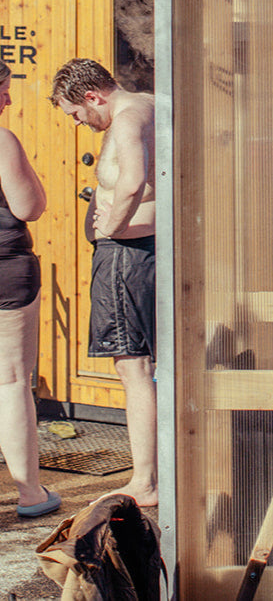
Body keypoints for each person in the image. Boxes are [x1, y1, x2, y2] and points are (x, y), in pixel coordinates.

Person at [51, 59, 157, 507]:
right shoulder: (155, 105)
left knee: (132, 369)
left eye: (77, 114)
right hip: (153, 252)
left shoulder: (128, 118)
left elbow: (132, 182)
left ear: (93, 97)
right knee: (155, 367)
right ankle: (158, 472)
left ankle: (145, 481)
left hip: (128, 257)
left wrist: (110, 226)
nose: (80, 124)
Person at [0, 62, 57, 517]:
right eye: (3, 90)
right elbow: (30, 206)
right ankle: (31, 495)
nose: (9, 100)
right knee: (12, 382)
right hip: (5, 270)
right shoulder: (2, 140)